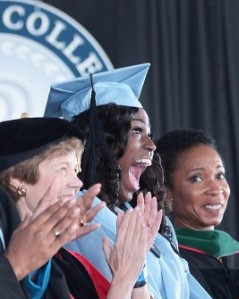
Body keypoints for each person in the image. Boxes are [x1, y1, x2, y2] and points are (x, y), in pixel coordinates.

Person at [45, 63, 211, 299]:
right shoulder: (80, 214)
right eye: (137, 132)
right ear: (104, 141)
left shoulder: (146, 217)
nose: (152, 145)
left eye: (149, 134)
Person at [0, 117, 153, 298]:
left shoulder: (69, 265)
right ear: (17, 178)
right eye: (63, 169)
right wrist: (124, 279)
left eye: (76, 170)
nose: (77, 183)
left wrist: (135, 272)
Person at [155, 128, 239, 299]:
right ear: (166, 191)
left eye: (220, 175)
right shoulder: (165, 260)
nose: (216, 189)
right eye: (196, 178)